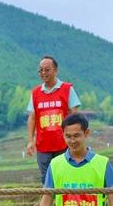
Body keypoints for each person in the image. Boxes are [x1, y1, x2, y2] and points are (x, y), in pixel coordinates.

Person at [26, 55, 81, 184]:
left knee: (66, 176)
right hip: (43, 145)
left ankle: (65, 204)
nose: (43, 73)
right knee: (46, 180)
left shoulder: (67, 89)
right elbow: (32, 118)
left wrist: (75, 137)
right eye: (41, 70)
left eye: (47, 70)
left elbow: (74, 115)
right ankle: (50, 204)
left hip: (64, 143)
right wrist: (30, 141)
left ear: (55, 71)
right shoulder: (36, 93)